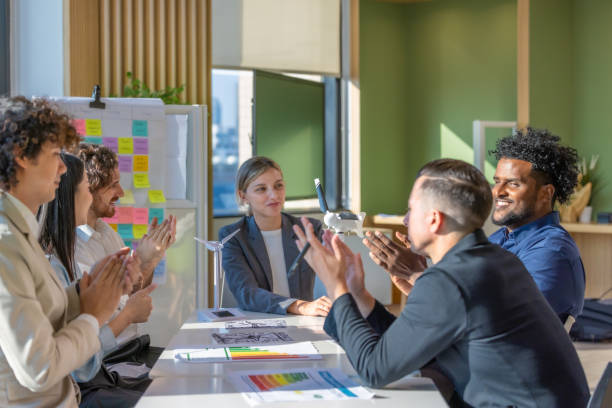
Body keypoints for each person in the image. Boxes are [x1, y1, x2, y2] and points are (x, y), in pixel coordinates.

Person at [294, 159, 589, 407]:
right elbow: (402, 346)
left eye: (411, 210)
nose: (406, 220)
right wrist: (357, 292)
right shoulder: (491, 259)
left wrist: (337, 288)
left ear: (434, 220)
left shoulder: (452, 279)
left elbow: (374, 369)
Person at [366, 128, 585, 323]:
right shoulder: (499, 239)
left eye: (513, 184)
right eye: (497, 181)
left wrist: (417, 274)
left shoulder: (552, 251)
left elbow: (504, 321)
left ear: (546, 194)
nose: (498, 192)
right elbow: (467, 306)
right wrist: (418, 286)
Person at [0, 96, 133, 407]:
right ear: (21, 155)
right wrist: (92, 314)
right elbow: (39, 368)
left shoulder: (21, 233)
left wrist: (88, 291)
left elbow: (43, 314)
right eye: (55, 154)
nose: (63, 167)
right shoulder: (6, 242)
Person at [39, 152, 156, 407]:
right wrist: (114, 310)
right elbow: (80, 366)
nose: (89, 196)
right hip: (85, 383)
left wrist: (146, 264)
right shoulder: (55, 261)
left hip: (96, 375)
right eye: (85, 189)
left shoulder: (100, 235)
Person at [75, 143, 176, 365]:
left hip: (132, 348)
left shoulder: (106, 233)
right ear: (88, 190)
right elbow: (91, 343)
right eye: (113, 186)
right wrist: (129, 315)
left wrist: (149, 259)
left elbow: (129, 293)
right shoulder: (74, 250)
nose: (120, 193)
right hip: (108, 362)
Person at [219, 156, 331, 315]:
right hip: (261, 322)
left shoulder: (308, 229)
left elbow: (332, 277)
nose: (274, 195)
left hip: (305, 322)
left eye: (278, 186)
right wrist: (301, 306)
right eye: (261, 189)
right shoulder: (233, 236)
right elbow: (246, 294)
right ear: (243, 196)